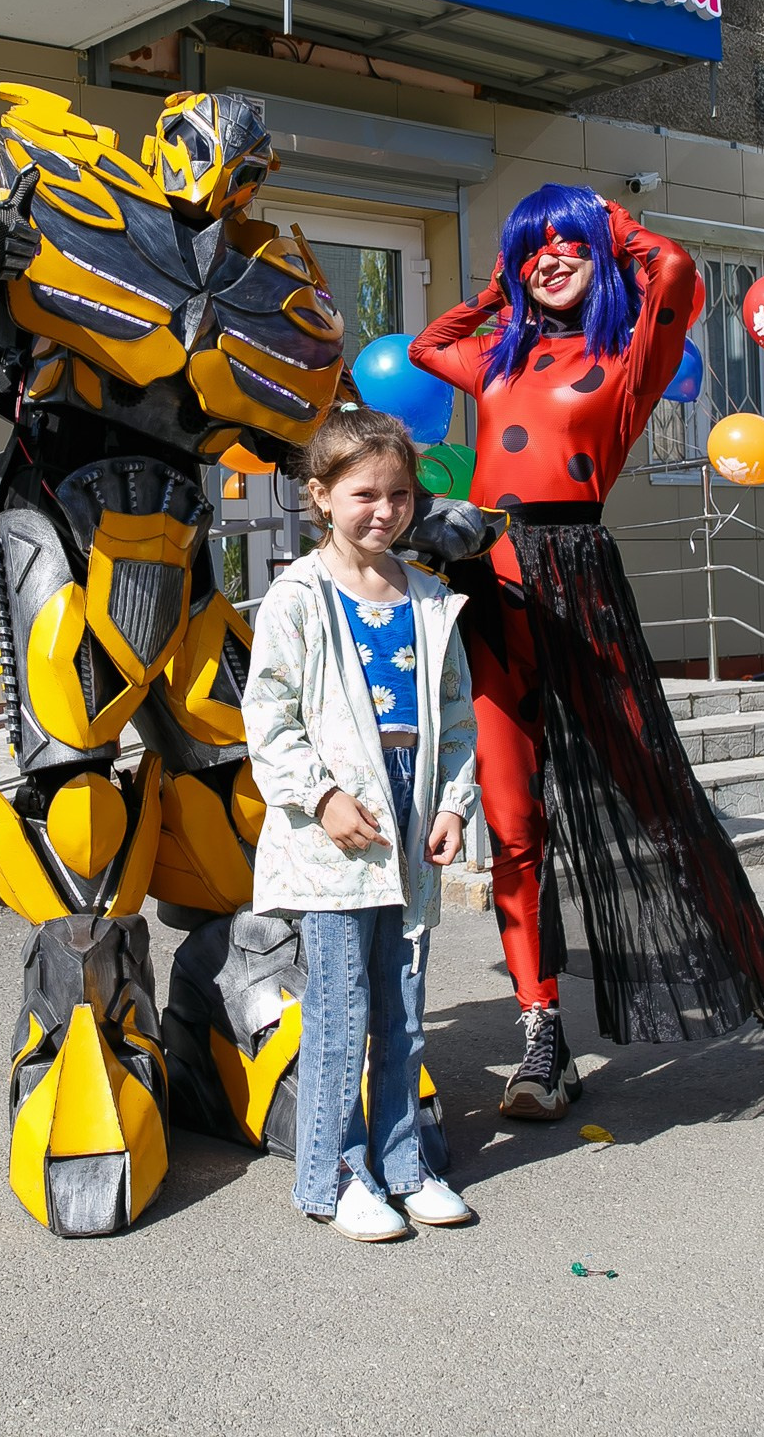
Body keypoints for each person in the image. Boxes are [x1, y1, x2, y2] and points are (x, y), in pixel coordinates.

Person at [409, 184, 764, 1118]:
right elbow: (425, 345)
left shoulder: (631, 348)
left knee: (664, 808)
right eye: (537, 249)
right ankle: (543, 1037)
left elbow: (679, 270)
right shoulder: (498, 356)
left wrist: (607, 226)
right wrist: (506, 277)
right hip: (489, 587)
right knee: (513, 828)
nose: (552, 259)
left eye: (569, 246)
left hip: (577, 582)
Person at [242, 407, 481, 1240]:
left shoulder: (428, 600)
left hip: (410, 815)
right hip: (335, 826)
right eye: (363, 494)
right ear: (320, 496)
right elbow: (268, 720)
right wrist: (321, 797)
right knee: (341, 1009)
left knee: (403, 1006)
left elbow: (455, 720)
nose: (384, 510)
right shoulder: (298, 598)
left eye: (400, 495)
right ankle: (335, 1175)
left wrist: (453, 803)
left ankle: (404, 1165)